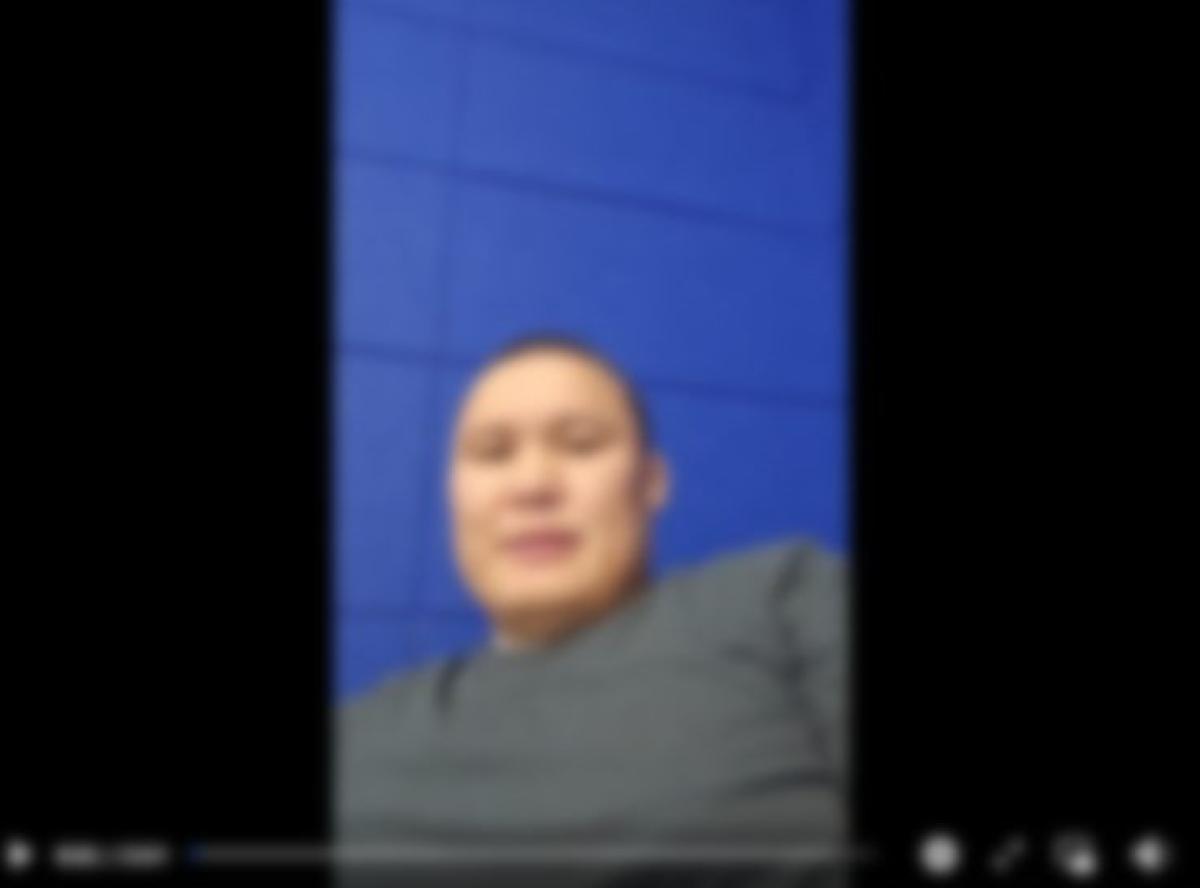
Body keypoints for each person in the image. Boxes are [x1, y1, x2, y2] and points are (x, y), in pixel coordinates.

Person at [336, 334, 849, 887]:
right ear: (453, 495)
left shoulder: (779, 600)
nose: (532, 484)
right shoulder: (356, 735)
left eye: (581, 444)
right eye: (492, 453)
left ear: (650, 482)